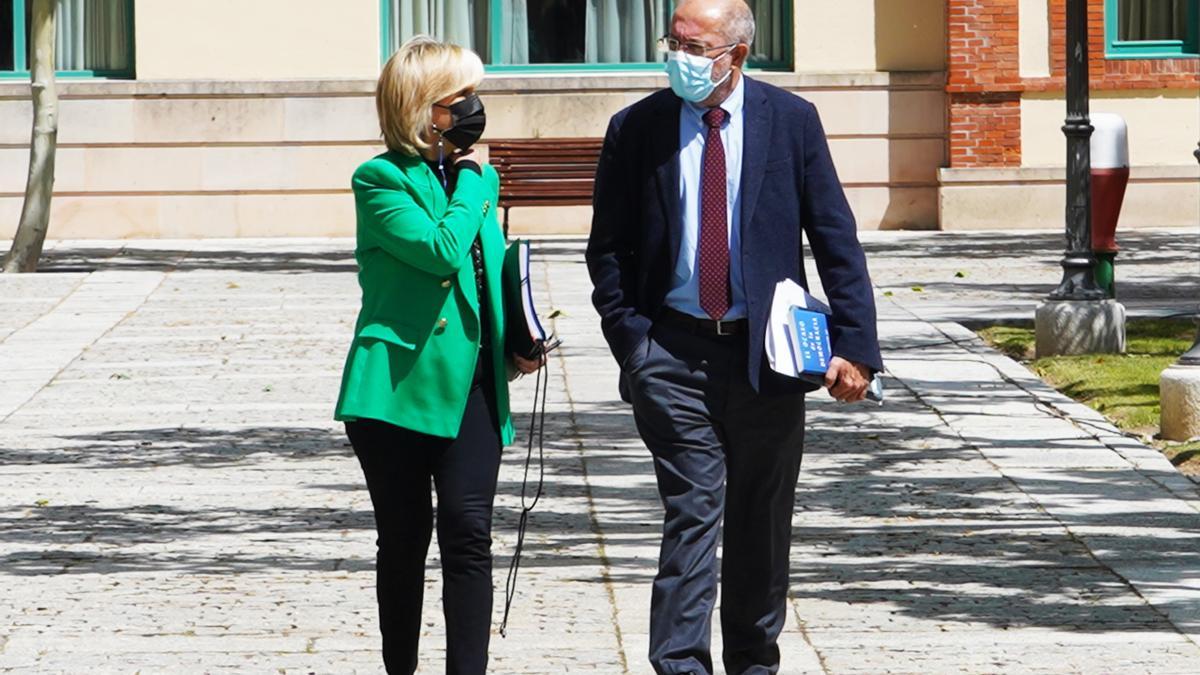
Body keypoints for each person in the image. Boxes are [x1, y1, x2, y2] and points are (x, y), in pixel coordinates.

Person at [585, 0, 884, 672]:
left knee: (760, 519)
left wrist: (857, 346)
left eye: (696, 45)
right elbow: (608, 250)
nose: (679, 56)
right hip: (673, 351)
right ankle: (681, 665)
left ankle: (754, 660)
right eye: (674, 41)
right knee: (692, 510)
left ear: (737, 55)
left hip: (769, 357)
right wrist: (635, 346)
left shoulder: (791, 122)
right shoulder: (636, 129)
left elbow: (835, 237)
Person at [334, 36, 541, 675]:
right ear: (423, 107)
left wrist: (519, 336)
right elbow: (441, 250)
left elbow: (486, 268)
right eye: (460, 99)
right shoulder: (380, 179)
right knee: (403, 542)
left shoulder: (473, 178)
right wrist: (478, 185)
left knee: (469, 536)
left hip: (475, 385)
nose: (474, 109)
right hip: (397, 387)